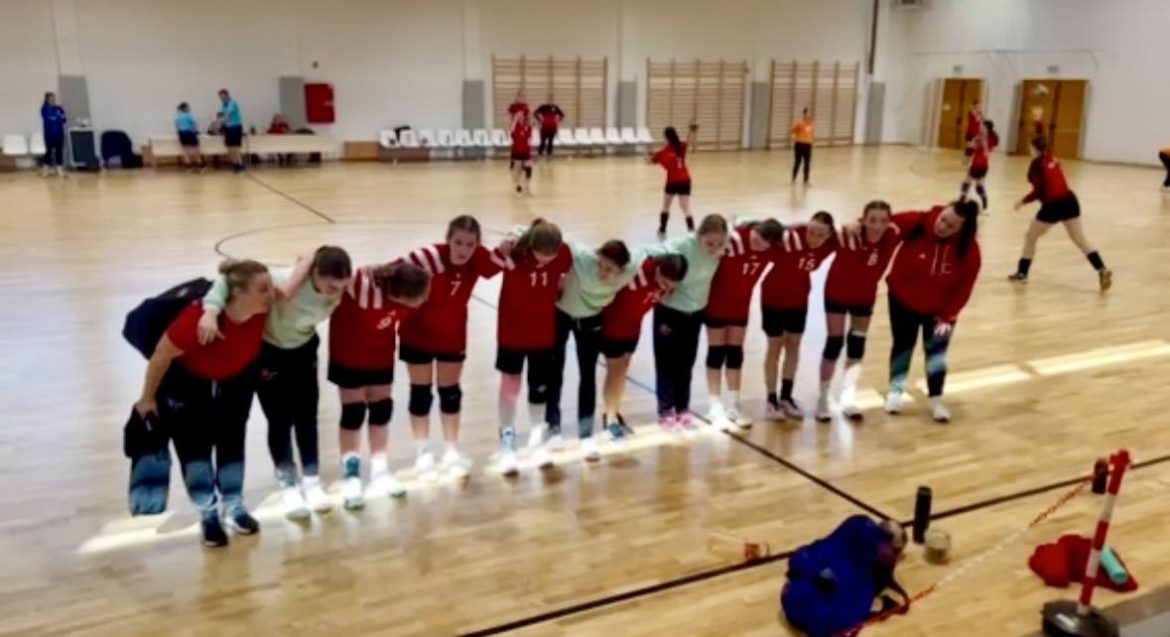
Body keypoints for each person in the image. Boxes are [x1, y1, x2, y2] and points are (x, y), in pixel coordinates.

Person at [197, 247, 351, 520]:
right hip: (269, 354)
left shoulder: (340, 286)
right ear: (315, 274)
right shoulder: (282, 280)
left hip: (304, 352)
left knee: (307, 418)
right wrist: (209, 312)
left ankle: (312, 482)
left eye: (341, 287)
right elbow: (227, 280)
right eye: (330, 287)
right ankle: (287, 484)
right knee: (279, 420)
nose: (335, 294)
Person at [133, 260, 272, 546]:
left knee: (232, 443)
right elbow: (160, 356)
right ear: (238, 292)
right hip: (187, 385)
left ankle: (234, 506)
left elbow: (296, 275)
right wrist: (147, 398)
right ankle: (208, 513)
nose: (273, 293)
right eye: (263, 289)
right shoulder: (195, 320)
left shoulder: (261, 309)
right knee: (194, 450)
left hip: (236, 382)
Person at [400, 216, 503, 480]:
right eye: (458, 242)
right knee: (420, 394)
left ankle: (451, 450)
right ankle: (422, 452)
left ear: (477, 244)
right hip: (417, 334)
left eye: (470, 244)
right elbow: (391, 273)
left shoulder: (477, 259)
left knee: (450, 394)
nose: (463, 249)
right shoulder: (427, 258)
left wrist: (513, 242)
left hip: (452, 336)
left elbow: (500, 262)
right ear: (448, 240)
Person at [328, 261, 431, 508]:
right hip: (348, 356)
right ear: (399, 294)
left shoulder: (409, 280)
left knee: (381, 412)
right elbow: (333, 269)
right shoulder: (360, 285)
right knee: (353, 414)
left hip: (381, 357)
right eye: (419, 297)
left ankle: (380, 470)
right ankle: (351, 475)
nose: (423, 300)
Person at [884, 200, 982, 423]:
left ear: (961, 230)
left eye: (950, 226)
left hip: (942, 313)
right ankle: (895, 392)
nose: (942, 226)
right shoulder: (917, 221)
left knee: (937, 354)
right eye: (943, 219)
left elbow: (964, 288)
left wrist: (947, 316)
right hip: (901, 302)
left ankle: (936, 397)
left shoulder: (970, 250)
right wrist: (856, 225)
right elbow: (882, 225)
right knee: (902, 346)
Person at [492, 220, 572, 475]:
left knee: (539, 390)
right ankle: (507, 444)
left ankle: (537, 442)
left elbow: (570, 266)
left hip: (543, 336)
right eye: (542, 254)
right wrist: (506, 243)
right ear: (531, 246)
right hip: (511, 334)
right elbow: (489, 264)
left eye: (552, 255)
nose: (547, 260)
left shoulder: (563, 254)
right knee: (510, 388)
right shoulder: (514, 254)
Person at [545, 239, 635, 460]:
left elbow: (651, 250)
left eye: (610, 270)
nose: (603, 272)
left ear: (620, 270)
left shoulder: (628, 271)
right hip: (561, 315)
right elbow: (554, 236)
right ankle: (553, 429)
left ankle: (586, 435)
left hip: (591, 321)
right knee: (554, 371)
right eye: (601, 265)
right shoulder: (582, 256)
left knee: (588, 375)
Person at [817, 201, 899, 422]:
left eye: (883, 221)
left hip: (864, 297)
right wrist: (846, 224)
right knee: (834, 343)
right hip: (836, 293)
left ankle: (847, 397)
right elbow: (821, 232)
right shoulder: (848, 234)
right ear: (863, 220)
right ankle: (823, 397)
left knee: (856, 345)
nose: (877, 226)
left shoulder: (891, 235)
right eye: (872, 220)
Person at [703, 218, 785, 429]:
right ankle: (714, 405)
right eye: (755, 240)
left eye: (762, 245)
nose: (756, 246)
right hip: (716, 303)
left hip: (740, 306)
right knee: (716, 353)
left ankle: (734, 404)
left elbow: (791, 232)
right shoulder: (733, 239)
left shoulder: (773, 249)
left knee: (735, 354)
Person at [653, 214, 729, 432]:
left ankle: (682, 408)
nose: (714, 248)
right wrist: (660, 277)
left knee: (686, 362)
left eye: (719, 244)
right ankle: (665, 410)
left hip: (695, 314)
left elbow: (745, 222)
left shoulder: (722, 246)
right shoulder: (681, 246)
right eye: (709, 243)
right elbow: (650, 255)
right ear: (698, 236)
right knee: (666, 362)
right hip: (670, 311)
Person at [1008, 135, 1112, 291]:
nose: (1029, 148)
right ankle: (1102, 269)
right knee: (1080, 239)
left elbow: (1038, 191)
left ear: (1034, 148)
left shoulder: (1036, 165)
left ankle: (1022, 273)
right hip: (1069, 201)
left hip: (1053, 205)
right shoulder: (1050, 157)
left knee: (1031, 236)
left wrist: (1022, 202)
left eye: (1030, 146)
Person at [762, 212, 838, 421]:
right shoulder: (790, 239)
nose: (813, 238)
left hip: (799, 301)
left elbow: (849, 230)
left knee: (793, 346)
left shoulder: (829, 244)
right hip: (773, 299)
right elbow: (761, 231)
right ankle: (771, 400)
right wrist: (790, 225)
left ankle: (786, 396)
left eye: (820, 235)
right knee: (775, 347)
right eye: (811, 232)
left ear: (829, 235)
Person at [600, 255, 688, 436]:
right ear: (659, 270)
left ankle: (614, 412)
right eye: (663, 281)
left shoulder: (666, 280)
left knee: (622, 371)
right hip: (613, 324)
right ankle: (610, 420)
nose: (665, 287)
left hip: (633, 327)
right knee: (615, 372)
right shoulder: (637, 270)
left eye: (670, 285)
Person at [650, 122, 698, 239]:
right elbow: (688, 139)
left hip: (672, 182)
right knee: (686, 208)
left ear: (665, 137)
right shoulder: (680, 147)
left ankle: (662, 229)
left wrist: (646, 155)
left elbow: (650, 161)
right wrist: (691, 130)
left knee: (666, 206)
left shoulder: (663, 152)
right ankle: (691, 230)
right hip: (685, 180)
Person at [962, 120, 998, 211]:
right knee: (969, 184)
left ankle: (984, 207)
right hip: (978, 165)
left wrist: (982, 143)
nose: (981, 128)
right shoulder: (980, 137)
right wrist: (973, 142)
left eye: (983, 127)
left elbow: (986, 152)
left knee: (975, 187)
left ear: (987, 128)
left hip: (980, 165)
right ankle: (962, 204)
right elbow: (971, 145)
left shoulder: (989, 139)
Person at [40, 92, 67, 177]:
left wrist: (57, 118)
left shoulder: (59, 108)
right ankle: (45, 168)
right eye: (51, 98)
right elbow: (48, 119)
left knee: (59, 150)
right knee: (49, 151)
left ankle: (59, 168)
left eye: (54, 98)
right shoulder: (44, 109)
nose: (53, 100)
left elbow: (64, 119)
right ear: (47, 99)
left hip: (59, 133)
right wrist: (57, 118)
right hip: (49, 133)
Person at [217, 89, 245, 172]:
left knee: (235, 146)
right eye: (220, 96)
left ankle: (240, 164)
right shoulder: (223, 105)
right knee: (229, 147)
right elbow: (221, 116)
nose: (221, 98)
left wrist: (219, 123)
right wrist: (219, 123)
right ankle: (234, 164)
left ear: (226, 95)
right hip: (228, 128)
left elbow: (227, 116)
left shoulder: (232, 103)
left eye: (222, 96)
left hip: (235, 127)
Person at [175, 102, 204, 172]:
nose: (189, 108)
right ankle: (201, 167)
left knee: (185, 151)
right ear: (185, 108)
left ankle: (188, 168)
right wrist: (195, 132)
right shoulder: (189, 115)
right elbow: (194, 124)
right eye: (188, 107)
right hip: (190, 133)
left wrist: (179, 134)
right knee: (196, 150)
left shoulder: (178, 117)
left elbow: (177, 127)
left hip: (182, 134)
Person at [509, 113, 534, 195]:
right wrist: (515, 118)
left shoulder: (527, 127)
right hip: (517, 151)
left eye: (522, 117)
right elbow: (512, 128)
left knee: (529, 169)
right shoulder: (515, 127)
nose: (521, 118)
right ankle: (518, 184)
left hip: (526, 151)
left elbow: (530, 138)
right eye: (519, 117)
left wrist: (531, 150)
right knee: (518, 169)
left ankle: (526, 184)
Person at [791, 108, 814, 185]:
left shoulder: (811, 124)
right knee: (798, 162)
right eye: (807, 114)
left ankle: (806, 180)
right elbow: (792, 131)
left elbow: (810, 134)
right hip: (799, 144)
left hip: (807, 145)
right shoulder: (799, 123)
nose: (808, 116)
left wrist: (811, 141)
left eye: (809, 114)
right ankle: (793, 178)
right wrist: (794, 136)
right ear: (804, 114)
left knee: (807, 163)